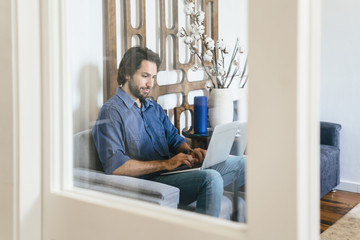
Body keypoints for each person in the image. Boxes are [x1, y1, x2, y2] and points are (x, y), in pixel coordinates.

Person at [92, 46, 245, 217]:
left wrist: (190, 152)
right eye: (145, 76)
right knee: (211, 179)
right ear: (127, 73)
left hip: (174, 172)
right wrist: (167, 164)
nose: (150, 83)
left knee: (245, 164)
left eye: (153, 77)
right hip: (151, 180)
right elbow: (116, 166)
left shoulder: (153, 108)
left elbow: (174, 139)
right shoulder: (111, 112)